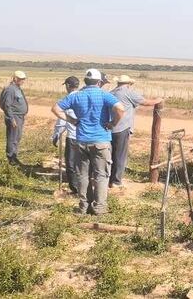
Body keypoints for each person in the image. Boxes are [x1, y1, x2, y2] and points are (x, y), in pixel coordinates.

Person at [52, 69, 125, 215]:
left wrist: (72, 120)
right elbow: (120, 109)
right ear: (99, 82)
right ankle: (99, 208)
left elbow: (55, 109)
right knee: (101, 175)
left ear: (85, 81)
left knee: (83, 175)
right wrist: (112, 123)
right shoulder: (105, 95)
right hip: (101, 140)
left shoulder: (76, 96)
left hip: (81, 140)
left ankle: (84, 207)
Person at [108, 75, 163, 188]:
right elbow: (145, 102)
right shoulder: (128, 92)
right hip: (122, 128)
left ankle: (108, 178)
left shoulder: (111, 92)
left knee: (111, 155)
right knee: (120, 155)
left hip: (110, 128)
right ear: (128, 84)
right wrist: (158, 100)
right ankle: (116, 181)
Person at [52, 76, 80, 194]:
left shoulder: (68, 99)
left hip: (73, 137)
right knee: (84, 163)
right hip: (87, 136)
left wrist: (56, 135)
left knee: (71, 164)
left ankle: (76, 189)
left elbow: (61, 122)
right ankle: (85, 187)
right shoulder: (83, 96)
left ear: (68, 86)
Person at [0, 70, 29, 165]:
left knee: (17, 137)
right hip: (14, 117)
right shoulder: (10, 89)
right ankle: (11, 158)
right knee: (12, 138)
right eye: (21, 79)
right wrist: (12, 119)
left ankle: (14, 157)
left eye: (24, 79)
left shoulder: (17, 88)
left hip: (19, 117)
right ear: (15, 79)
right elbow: (7, 105)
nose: (23, 81)